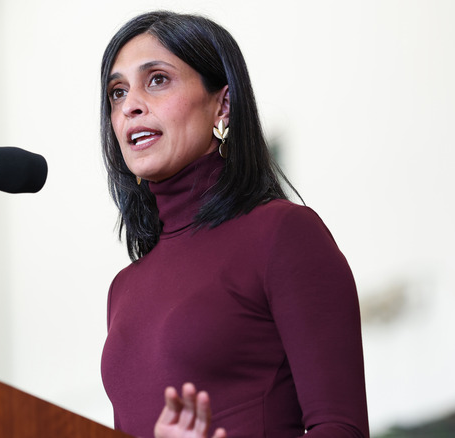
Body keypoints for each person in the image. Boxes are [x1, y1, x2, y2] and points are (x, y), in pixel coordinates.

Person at [98, 11, 369, 438]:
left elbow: (341, 428)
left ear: (222, 104)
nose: (130, 105)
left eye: (157, 80)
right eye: (117, 92)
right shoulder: (123, 290)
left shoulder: (283, 234)